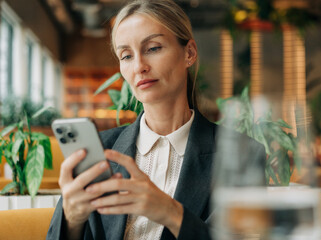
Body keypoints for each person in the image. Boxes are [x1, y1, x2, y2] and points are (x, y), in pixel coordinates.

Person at [46, 0, 266, 239]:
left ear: (189, 53)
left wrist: (170, 212)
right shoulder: (102, 151)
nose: (139, 66)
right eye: (126, 55)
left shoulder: (242, 154)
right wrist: (71, 218)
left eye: (153, 48)